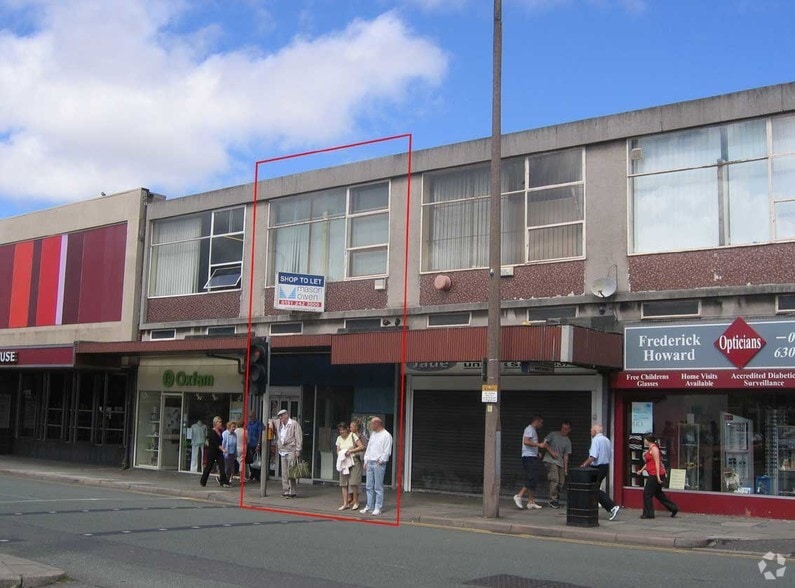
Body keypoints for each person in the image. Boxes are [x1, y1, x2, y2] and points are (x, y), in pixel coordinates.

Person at [581, 423, 620, 521]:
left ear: (595, 430)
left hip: (597, 467)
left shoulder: (595, 440)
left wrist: (584, 465)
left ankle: (612, 506)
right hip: (605, 466)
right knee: (595, 488)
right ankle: (592, 508)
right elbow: (610, 454)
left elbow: (593, 456)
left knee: (593, 488)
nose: (590, 431)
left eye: (591, 430)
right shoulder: (606, 440)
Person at [638, 433, 678, 519]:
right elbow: (649, 463)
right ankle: (673, 508)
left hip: (655, 474)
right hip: (654, 473)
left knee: (647, 493)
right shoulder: (650, 449)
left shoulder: (654, 449)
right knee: (659, 494)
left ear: (648, 440)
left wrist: (658, 477)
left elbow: (657, 463)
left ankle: (648, 513)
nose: (644, 441)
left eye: (645, 439)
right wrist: (641, 470)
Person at [359, 417, 392, 516]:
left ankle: (378, 507)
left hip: (378, 463)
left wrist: (381, 460)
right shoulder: (373, 434)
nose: (370, 426)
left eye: (372, 424)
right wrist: (366, 460)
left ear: (377, 424)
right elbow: (369, 447)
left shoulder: (386, 435)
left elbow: (387, 451)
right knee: (369, 486)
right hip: (370, 462)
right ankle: (369, 506)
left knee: (378, 487)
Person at [513, 415, 547, 510]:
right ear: (536, 421)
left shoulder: (533, 430)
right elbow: (526, 441)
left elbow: (530, 443)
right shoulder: (529, 429)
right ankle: (519, 495)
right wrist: (539, 445)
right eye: (541, 422)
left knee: (532, 478)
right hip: (528, 457)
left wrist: (537, 452)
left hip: (532, 456)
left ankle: (531, 501)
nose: (542, 424)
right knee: (532, 477)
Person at [269, 409, 302, 498]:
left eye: (282, 416)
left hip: (291, 450)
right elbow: (270, 420)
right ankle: (286, 490)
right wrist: (271, 423)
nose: (280, 418)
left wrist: (298, 450)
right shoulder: (279, 423)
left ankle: (292, 491)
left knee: (291, 471)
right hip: (282, 451)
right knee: (284, 472)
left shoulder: (294, 424)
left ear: (286, 415)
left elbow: (298, 436)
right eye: (279, 416)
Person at [334, 421, 365, 511]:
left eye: (343, 431)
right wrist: (341, 454)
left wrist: (351, 451)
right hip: (344, 461)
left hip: (353, 460)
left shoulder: (352, 435)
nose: (341, 432)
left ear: (347, 430)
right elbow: (338, 450)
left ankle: (356, 501)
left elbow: (361, 447)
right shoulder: (339, 438)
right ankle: (345, 503)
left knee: (353, 482)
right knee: (343, 483)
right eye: (340, 431)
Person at [542, 421, 572, 509]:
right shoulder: (553, 434)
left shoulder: (567, 441)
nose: (564, 430)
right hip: (550, 460)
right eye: (563, 428)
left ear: (569, 430)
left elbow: (566, 455)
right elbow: (544, 443)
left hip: (560, 462)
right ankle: (552, 500)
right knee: (554, 479)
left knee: (561, 482)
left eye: (566, 429)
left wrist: (566, 468)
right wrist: (551, 452)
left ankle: (556, 499)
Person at [200, 416, 230, 487]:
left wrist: (222, 449)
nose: (221, 423)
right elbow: (216, 443)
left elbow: (221, 441)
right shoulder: (212, 432)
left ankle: (223, 481)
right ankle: (203, 481)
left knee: (222, 465)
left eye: (221, 422)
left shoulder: (220, 432)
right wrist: (223, 449)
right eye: (219, 422)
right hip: (212, 451)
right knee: (209, 466)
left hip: (218, 452)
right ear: (215, 423)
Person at [246, 415, 264, 481]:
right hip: (250, 444)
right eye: (249, 417)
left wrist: (258, 444)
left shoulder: (258, 423)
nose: (250, 418)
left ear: (254, 416)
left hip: (256, 444)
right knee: (251, 460)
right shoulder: (249, 423)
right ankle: (252, 474)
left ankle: (257, 475)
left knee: (257, 460)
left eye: (251, 416)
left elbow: (260, 434)